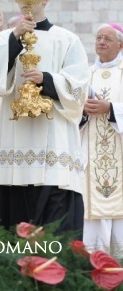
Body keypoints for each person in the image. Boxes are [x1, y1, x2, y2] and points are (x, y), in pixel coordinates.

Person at [0, 0, 90, 235]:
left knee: (54, 224)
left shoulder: (67, 39)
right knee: (15, 224)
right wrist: (14, 39)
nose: (25, 1)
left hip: (53, 143)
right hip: (15, 143)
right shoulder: (5, 39)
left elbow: (79, 87)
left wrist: (47, 79)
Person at [82, 23, 123, 256]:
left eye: (107, 38)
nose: (101, 42)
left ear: (120, 45)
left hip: (120, 157)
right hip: (90, 158)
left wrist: (110, 108)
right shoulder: (85, 75)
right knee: (93, 218)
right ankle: (92, 265)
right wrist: (81, 112)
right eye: (98, 38)